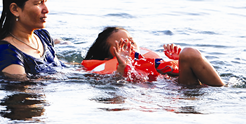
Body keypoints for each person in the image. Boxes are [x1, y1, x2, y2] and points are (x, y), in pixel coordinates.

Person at [83, 27, 224, 86]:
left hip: (177, 84)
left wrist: (177, 61)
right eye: (124, 44)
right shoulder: (114, 68)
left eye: (131, 40)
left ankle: (224, 89)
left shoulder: (149, 58)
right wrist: (122, 67)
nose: (131, 45)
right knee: (189, 53)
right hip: (168, 94)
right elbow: (119, 85)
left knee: (188, 53)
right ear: (109, 58)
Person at [0, 0, 63, 76]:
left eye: (45, 2)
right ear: (15, 9)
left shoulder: (43, 36)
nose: (46, 10)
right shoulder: (6, 53)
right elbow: (23, 89)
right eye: (38, 3)